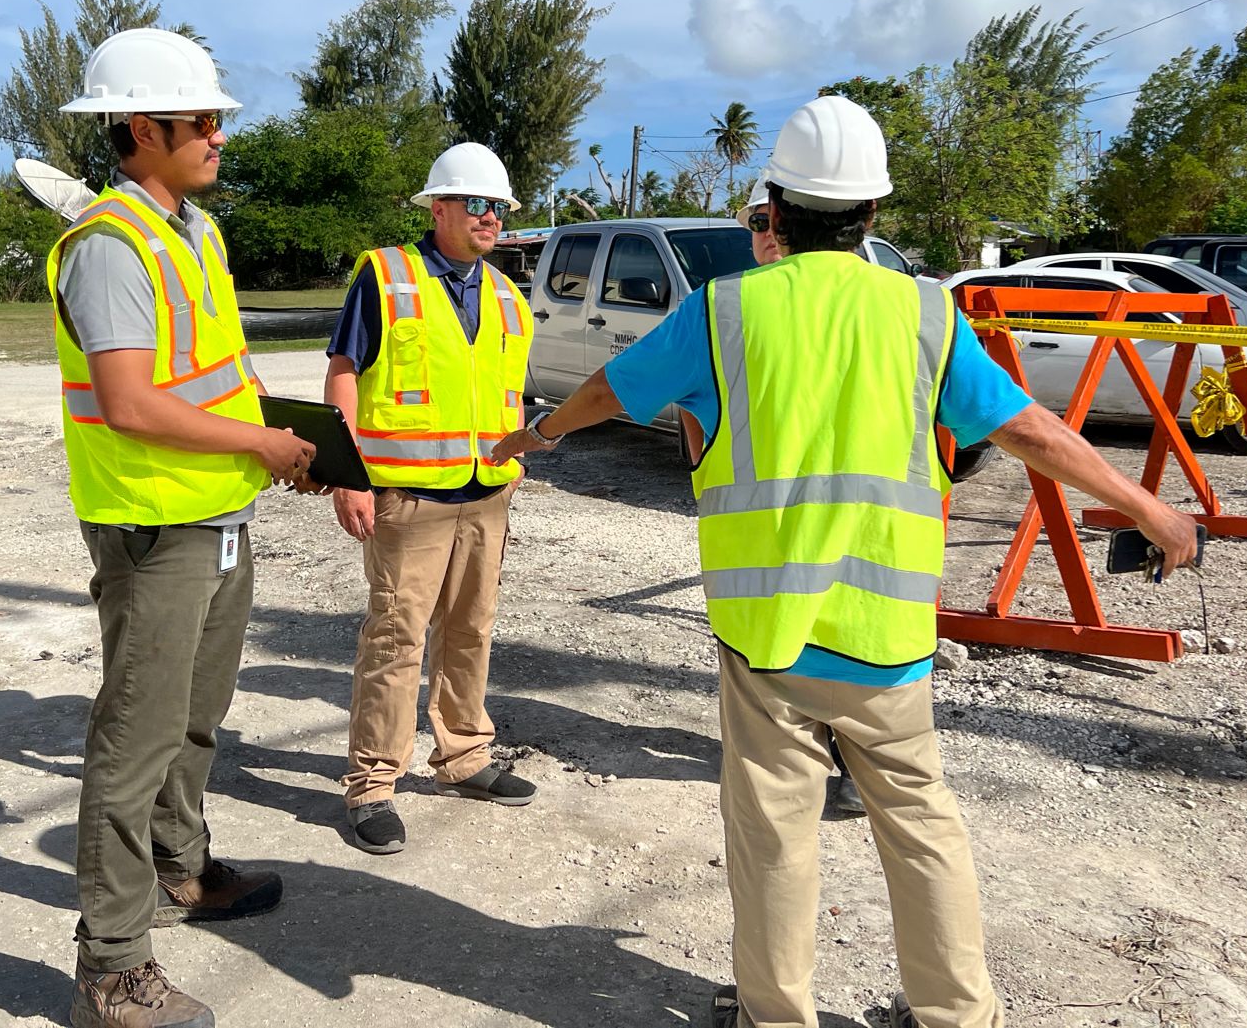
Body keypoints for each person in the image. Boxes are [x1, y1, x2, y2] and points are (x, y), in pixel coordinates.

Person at [491, 96, 1198, 1028]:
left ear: (774, 209)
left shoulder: (724, 310)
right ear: (871, 215)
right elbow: (1027, 427)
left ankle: (775, 1014)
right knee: (922, 827)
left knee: (776, 832)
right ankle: (956, 1014)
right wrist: (1148, 504)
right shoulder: (925, 314)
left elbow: (607, 390)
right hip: (888, 634)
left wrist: (540, 431)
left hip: (768, 635)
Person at [50, 28, 320, 1028]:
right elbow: (128, 400)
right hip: (154, 525)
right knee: (135, 739)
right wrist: (257, 440)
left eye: (214, 118)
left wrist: (279, 444)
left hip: (216, 512)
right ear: (140, 126)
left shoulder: (192, 232)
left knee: (197, 717)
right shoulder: (111, 246)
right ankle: (113, 968)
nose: (216, 135)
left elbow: (212, 374)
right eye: (199, 119)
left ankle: (182, 866)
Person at [325, 142, 537, 857]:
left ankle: (465, 755)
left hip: (486, 492)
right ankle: (373, 783)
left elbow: (505, 393)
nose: (491, 217)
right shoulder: (387, 276)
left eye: (499, 206)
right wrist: (346, 471)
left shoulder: (508, 295)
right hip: (406, 493)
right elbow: (346, 369)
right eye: (476, 203)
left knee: (472, 627)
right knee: (395, 635)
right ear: (438, 207)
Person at [735, 181, 866, 820]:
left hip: (849, 527)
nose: (764, 234)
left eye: (770, 220)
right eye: (754, 222)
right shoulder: (747, 307)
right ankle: (812, 760)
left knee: (836, 645)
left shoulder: (851, 302)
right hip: (777, 529)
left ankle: (841, 768)